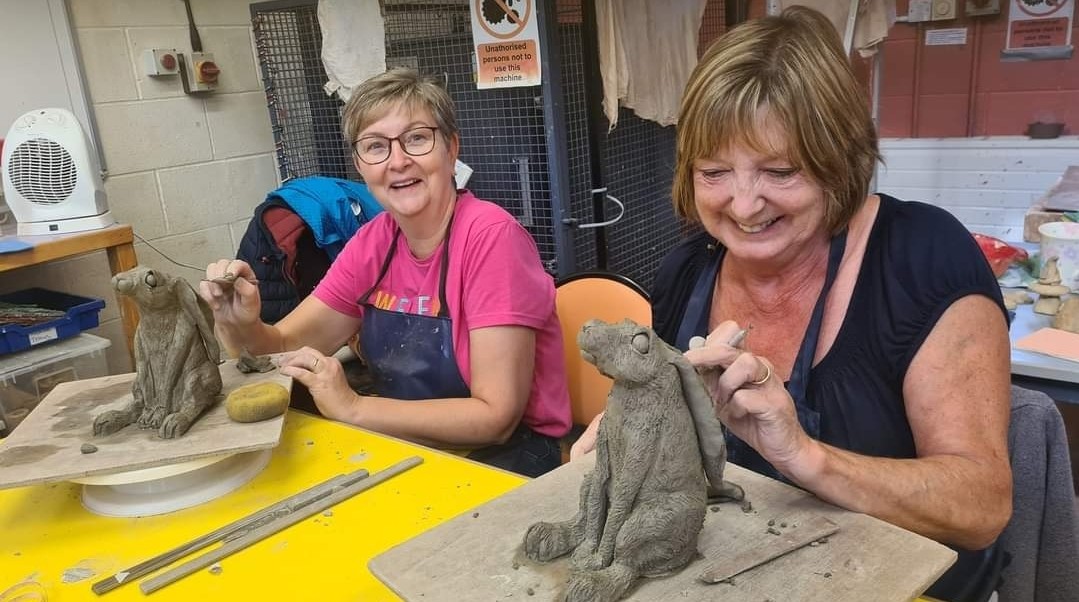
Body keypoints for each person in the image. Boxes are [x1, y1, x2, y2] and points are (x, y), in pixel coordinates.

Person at [572, 7, 1012, 601]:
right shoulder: (685, 272)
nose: (745, 206)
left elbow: (982, 505)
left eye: (780, 171)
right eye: (715, 171)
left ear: (839, 160)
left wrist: (804, 456)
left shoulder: (921, 259)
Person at [200, 68, 570, 477]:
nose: (398, 161)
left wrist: (355, 408)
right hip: (413, 446)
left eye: (416, 138)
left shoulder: (492, 239)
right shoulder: (374, 242)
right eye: (375, 146)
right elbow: (282, 345)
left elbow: (496, 418)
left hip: (509, 460)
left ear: (451, 148)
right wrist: (240, 324)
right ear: (360, 165)